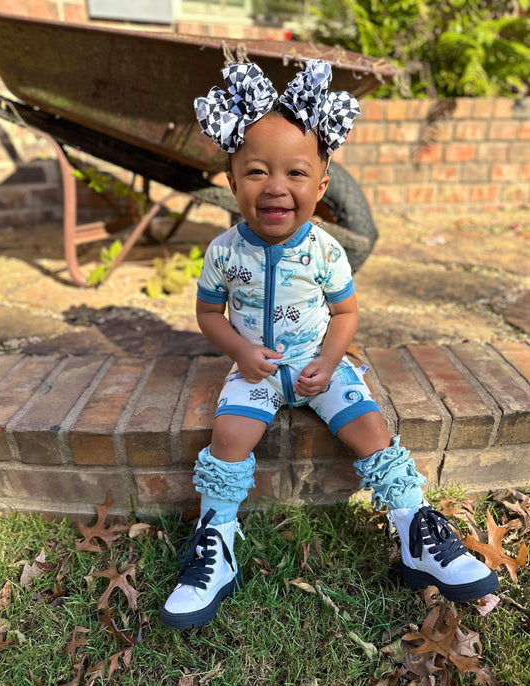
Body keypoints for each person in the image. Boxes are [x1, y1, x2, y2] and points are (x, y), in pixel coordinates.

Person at [160, 60, 498, 630]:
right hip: (256, 371)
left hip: (320, 365)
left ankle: (415, 530)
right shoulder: (223, 252)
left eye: (296, 173)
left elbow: (345, 312)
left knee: (370, 427)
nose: (276, 186)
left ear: (321, 186)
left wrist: (332, 358)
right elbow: (207, 314)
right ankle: (215, 544)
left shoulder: (324, 250)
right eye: (256, 171)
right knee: (229, 436)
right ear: (232, 182)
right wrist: (240, 352)